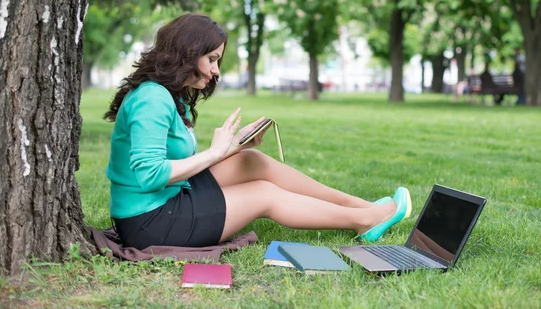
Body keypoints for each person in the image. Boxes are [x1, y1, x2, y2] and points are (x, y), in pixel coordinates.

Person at [104, 13, 411, 250]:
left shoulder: (169, 95)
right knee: (264, 194)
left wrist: (233, 147)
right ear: (187, 52)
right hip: (149, 222)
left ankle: (363, 205)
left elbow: (167, 166)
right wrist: (215, 153)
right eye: (211, 59)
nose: (216, 71)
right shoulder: (152, 98)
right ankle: (364, 221)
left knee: (252, 160)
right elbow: (150, 175)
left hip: (169, 197)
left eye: (218, 61)